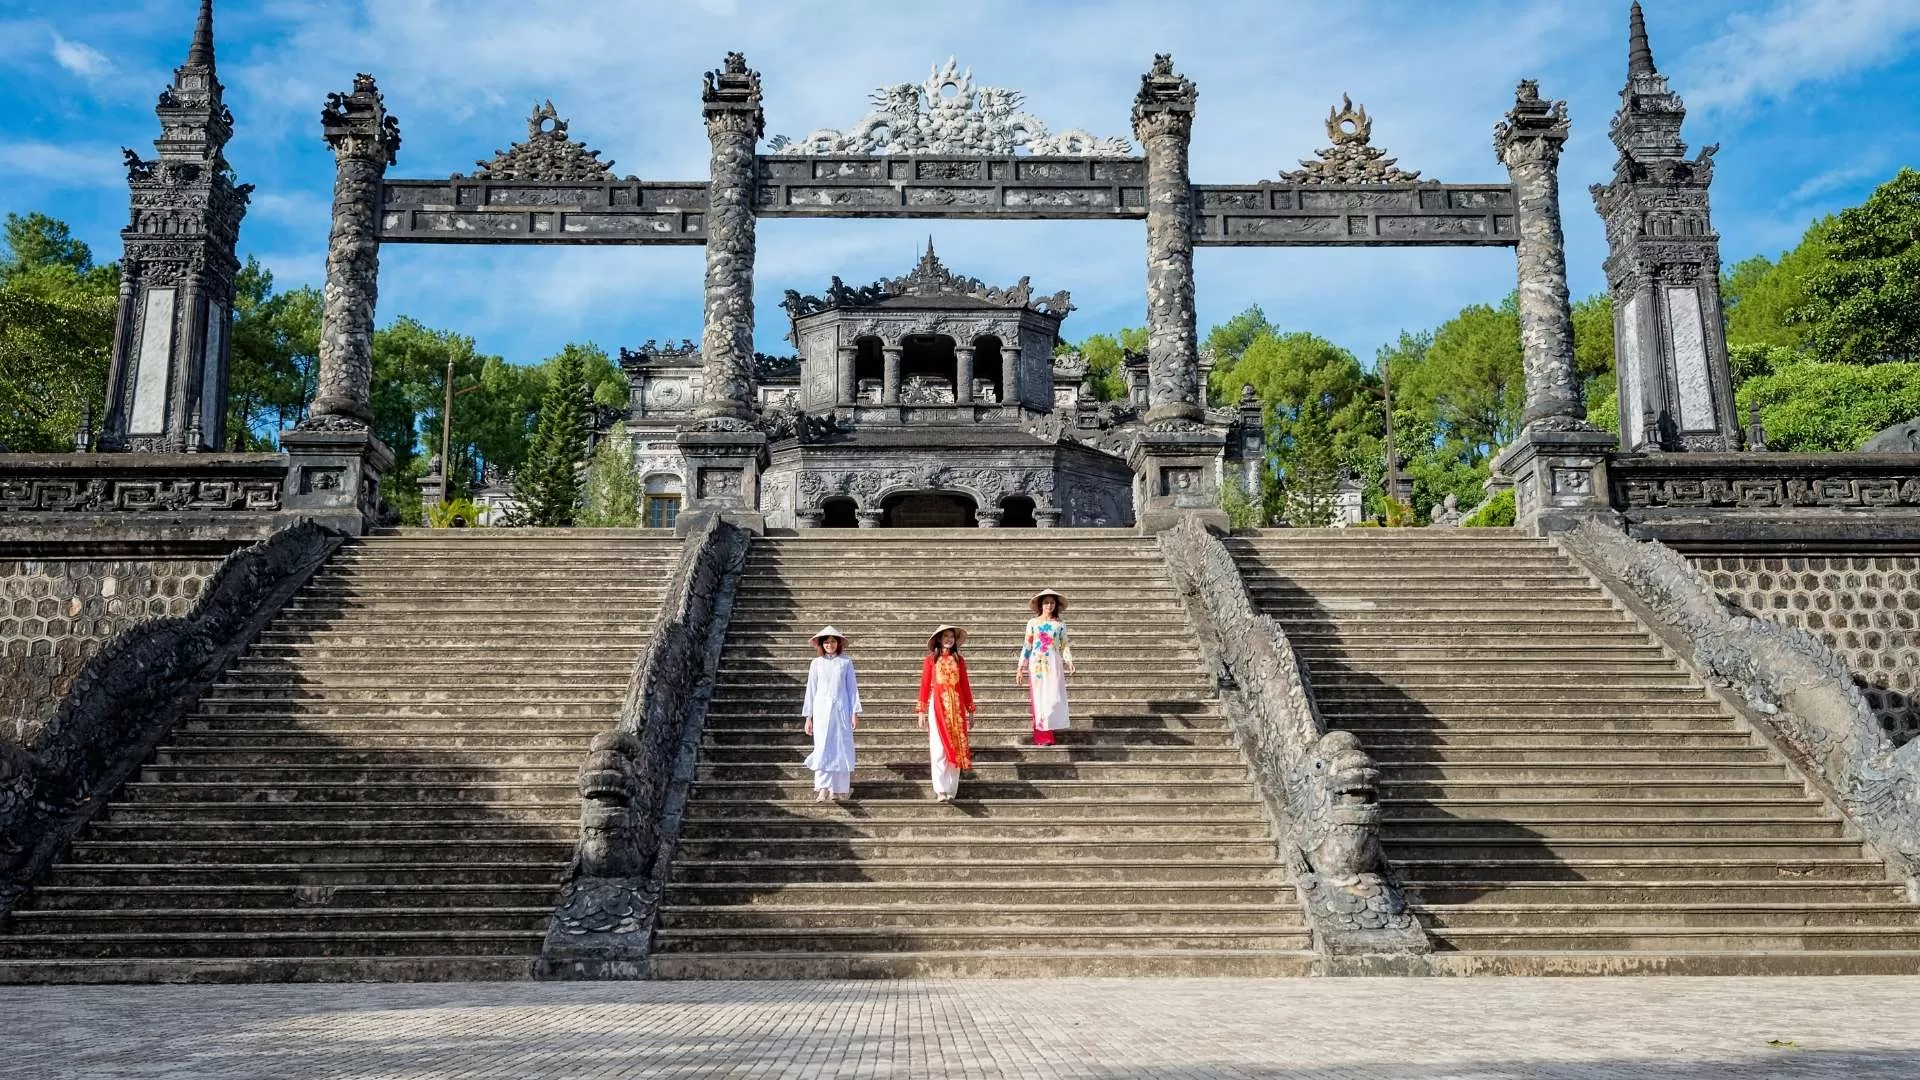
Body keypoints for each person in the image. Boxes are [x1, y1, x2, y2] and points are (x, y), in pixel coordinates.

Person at [916, 624, 975, 802]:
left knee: (956, 748)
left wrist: (970, 709)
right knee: (939, 747)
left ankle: (951, 789)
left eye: (951, 636)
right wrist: (921, 711)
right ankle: (940, 789)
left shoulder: (959, 661)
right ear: (939, 640)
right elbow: (925, 685)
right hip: (938, 707)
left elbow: (965, 686)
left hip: (956, 709)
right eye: (945, 636)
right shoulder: (930, 661)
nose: (949, 639)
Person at [801, 626, 860, 802]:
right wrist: (808, 717)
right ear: (821, 644)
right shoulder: (816, 664)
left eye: (833, 641)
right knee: (823, 747)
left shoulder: (846, 662)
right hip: (821, 711)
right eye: (826, 642)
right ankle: (823, 788)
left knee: (842, 746)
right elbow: (811, 690)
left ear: (838, 643)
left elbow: (852, 689)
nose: (830, 645)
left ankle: (839, 789)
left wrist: (854, 713)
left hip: (841, 709)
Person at [1017, 589, 1075, 747]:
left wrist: (1069, 661)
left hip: (1054, 664)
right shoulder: (1033, 623)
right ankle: (1043, 736)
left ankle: (1049, 727)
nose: (1049, 605)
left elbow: (1064, 645)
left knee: (1053, 698)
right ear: (1040, 605)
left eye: (1052, 602)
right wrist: (1021, 667)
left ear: (1055, 605)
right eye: (1046, 602)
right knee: (1039, 699)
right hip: (1037, 665)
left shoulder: (1060, 625)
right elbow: (1027, 646)